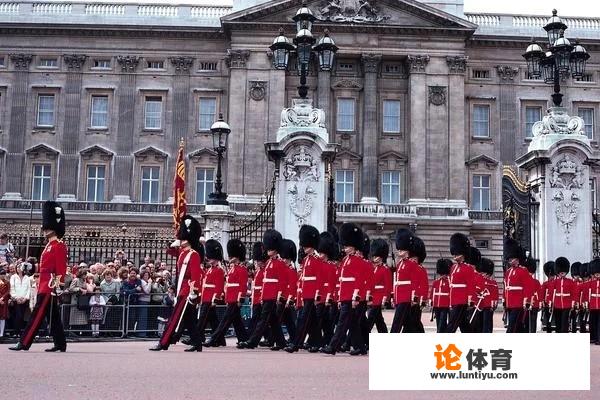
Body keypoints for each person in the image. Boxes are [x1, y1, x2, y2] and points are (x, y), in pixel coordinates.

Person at [10, 201, 68, 352]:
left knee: (37, 314)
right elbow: (45, 268)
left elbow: (60, 268)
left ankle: (24, 342)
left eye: (47, 227)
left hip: (49, 286)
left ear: (53, 229)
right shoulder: (49, 246)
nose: (45, 230)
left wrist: (58, 286)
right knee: (53, 317)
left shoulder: (59, 246)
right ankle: (60, 343)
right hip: (43, 282)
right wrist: (31, 268)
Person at [150, 215, 203, 351]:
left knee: (174, 317)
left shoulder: (194, 254)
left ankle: (164, 343)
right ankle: (197, 343)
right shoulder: (183, 253)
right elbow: (170, 251)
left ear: (188, 240)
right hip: (181, 288)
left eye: (183, 238)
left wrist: (194, 292)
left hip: (187, 291)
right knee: (190, 320)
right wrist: (171, 244)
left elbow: (196, 275)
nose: (180, 240)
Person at [238, 229, 288, 350]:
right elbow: (265, 282)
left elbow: (282, 281)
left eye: (270, 249)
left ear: (275, 249)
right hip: (266, 295)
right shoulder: (269, 263)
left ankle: (252, 341)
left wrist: (279, 295)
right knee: (274, 321)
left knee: (263, 319)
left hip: (272, 295)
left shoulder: (280, 263)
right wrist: (261, 296)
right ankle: (281, 343)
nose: (268, 251)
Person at [320, 223, 365, 356]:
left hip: (351, 296)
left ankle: (333, 346)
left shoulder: (357, 261)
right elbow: (341, 280)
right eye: (345, 246)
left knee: (342, 322)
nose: (345, 249)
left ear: (354, 247)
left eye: (348, 247)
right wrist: (339, 297)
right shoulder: (346, 260)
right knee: (352, 323)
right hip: (345, 295)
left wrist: (356, 297)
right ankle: (360, 347)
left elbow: (359, 280)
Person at [285, 225, 323, 353]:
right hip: (306, 293)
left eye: (306, 245)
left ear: (311, 245)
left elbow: (319, 278)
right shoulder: (307, 259)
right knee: (312, 320)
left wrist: (318, 294)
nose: (304, 247)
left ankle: (296, 344)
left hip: (312, 293)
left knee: (303, 319)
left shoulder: (317, 260)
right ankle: (317, 342)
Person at [205, 239, 249, 346]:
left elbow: (243, 285)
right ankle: (244, 339)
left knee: (225, 321)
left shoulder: (242, 269)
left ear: (237, 256)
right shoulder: (232, 269)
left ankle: (214, 339)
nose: (229, 257)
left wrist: (240, 298)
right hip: (230, 298)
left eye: (232, 255)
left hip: (235, 299)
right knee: (237, 321)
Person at [193, 239, 225, 352]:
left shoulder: (219, 270)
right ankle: (220, 340)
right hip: (205, 297)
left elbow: (219, 286)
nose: (208, 258)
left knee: (202, 319)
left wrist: (214, 299)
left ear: (215, 258)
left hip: (210, 298)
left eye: (210, 257)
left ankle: (195, 339)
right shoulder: (210, 269)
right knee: (213, 320)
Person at [445, 233, 478, 333]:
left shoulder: (468, 268)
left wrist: (470, 299)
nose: (455, 255)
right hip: (454, 299)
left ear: (463, 254)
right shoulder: (453, 267)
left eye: (457, 253)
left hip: (462, 300)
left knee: (452, 324)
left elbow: (471, 285)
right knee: (464, 324)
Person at [390, 229, 418, 333]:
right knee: (408, 324)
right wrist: (393, 296)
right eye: (399, 249)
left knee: (397, 322)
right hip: (399, 296)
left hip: (406, 297)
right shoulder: (399, 264)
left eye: (402, 250)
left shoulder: (411, 264)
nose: (399, 251)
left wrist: (413, 297)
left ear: (407, 251)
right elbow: (396, 281)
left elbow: (414, 282)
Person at [503, 240, 533, 333]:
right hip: (510, 303)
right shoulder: (508, 271)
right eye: (509, 259)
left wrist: (526, 300)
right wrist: (504, 299)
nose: (510, 260)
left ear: (517, 259)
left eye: (511, 259)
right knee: (517, 326)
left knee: (512, 326)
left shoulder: (523, 270)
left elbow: (527, 286)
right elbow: (506, 286)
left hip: (518, 302)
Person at [365, 239, 392, 334]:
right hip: (372, 296)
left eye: (376, 256)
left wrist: (385, 298)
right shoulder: (373, 268)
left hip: (379, 298)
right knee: (379, 321)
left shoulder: (385, 269)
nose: (374, 258)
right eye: (374, 256)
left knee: (370, 320)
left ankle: (365, 339)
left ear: (381, 257)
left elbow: (388, 285)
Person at [552, 256, 576, 333]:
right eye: (560, 271)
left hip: (567, 304)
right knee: (558, 323)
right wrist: (550, 302)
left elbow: (573, 293)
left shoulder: (570, 281)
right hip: (557, 304)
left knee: (564, 323)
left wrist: (572, 303)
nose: (562, 272)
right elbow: (552, 292)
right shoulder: (555, 282)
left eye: (563, 271)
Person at [248, 242, 266, 338]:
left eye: (258, 260)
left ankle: (250, 337)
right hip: (256, 297)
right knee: (260, 319)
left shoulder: (264, 271)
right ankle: (268, 337)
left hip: (260, 298)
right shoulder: (258, 271)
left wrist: (260, 298)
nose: (257, 262)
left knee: (257, 318)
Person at [9, 263, 31, 337]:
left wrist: (25, 298)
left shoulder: (27, 278)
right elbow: (12, 288)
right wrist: (16, 297)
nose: (18, 268)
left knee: (22, 316)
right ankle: (16, 332)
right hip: (16, 299)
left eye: (19, 267)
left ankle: (19, 332)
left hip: (24, 299)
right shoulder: (13, 277)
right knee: (18, 315)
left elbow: (29, 289)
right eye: (17, 267)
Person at [430, 259, 452, 333]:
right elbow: (433, 292)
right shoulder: (436, 282)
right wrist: (431, 300)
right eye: (441, 274)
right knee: (438, 321)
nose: (443, 276)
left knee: (442, 322)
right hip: (436, 305)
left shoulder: (449, 282)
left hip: (445, 305)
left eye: (444, 274)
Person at [480, 258, 499, 333]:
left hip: (488, 306)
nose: (483, 275)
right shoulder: (480, 280)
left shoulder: (493, 282)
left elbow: (495, 294)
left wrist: (493, 305)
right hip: (480, 305)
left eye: (484, 273)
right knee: (481, 323)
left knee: (487, 323)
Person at [541, 261, 556, 333]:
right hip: (547, 304)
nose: (551, 277)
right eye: (550, 275)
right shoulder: (545, 284)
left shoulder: (556, 283)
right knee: (547, 320)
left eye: (552, 275)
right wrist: (543, 301)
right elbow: (543, 294)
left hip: (555, 303)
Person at [588, 259, 600, 345]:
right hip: (593, 305)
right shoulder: (591, 283)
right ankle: (595, 337)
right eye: (596, 273)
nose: (597, 274)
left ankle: (599, 339)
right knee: (594, 323)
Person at [0, 268, 9, 338]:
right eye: (1, 274)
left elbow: (8, 291)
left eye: (3, 274)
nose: (2, 276)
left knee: (3, 317)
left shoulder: (7, 282)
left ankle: (1, 333)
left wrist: (2, 298)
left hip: (4, 301)